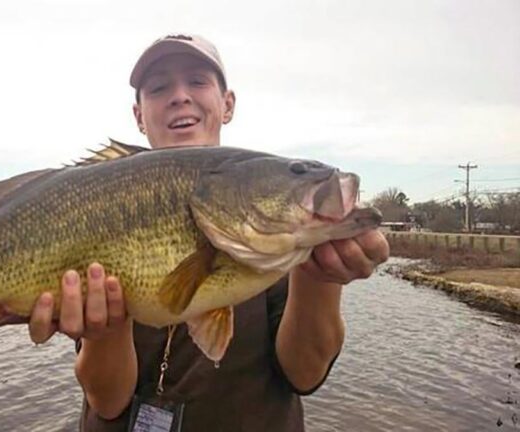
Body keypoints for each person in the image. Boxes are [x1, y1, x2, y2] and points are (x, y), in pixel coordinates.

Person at [27, 34, 390, 431]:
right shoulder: (105, 206)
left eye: (197, 81)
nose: (180, 96)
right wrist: (106, 333)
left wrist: (320, 276)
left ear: (227, 103)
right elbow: (108, 401)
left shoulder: (278, 247)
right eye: (159, 87)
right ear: (138, 115)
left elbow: (305, 373)